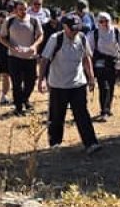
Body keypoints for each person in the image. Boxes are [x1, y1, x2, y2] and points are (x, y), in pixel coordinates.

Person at [37, 15, 102, 154]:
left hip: (78, 84)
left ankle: (91, 143)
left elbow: (86, 58)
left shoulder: (82, 38)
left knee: (82, 114)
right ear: (65, 27)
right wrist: (41, 79)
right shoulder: (56, 39)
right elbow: (44, 60)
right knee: (56, 116)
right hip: (58, 85)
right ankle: (55, 143)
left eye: (77, 29)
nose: (75, 32)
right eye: (72, 29)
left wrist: (91, 77)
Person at [0, 0, 42, 116]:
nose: (23, 11)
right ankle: (18, 107)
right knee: (16, 83)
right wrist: (11, 46)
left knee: (30, 82)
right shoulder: (9, 21)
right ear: (15, 10)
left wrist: (34, 46)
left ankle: (25, 99)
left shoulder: (34, 21)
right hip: (14, 57)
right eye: (20, 9)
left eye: (24, 9)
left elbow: (40, 35)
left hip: (30, 57)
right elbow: (2, 37)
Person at [90, 12, 120, 122]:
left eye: (106, 21)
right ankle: (104, 111)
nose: (104, 23)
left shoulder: (116, 31)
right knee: (104, 86)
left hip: (113, 63)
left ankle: (108, 107)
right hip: (100, 63)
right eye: (101, 21)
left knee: (111, 85)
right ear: (98, 22)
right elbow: (89, 50)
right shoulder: (94, 34)